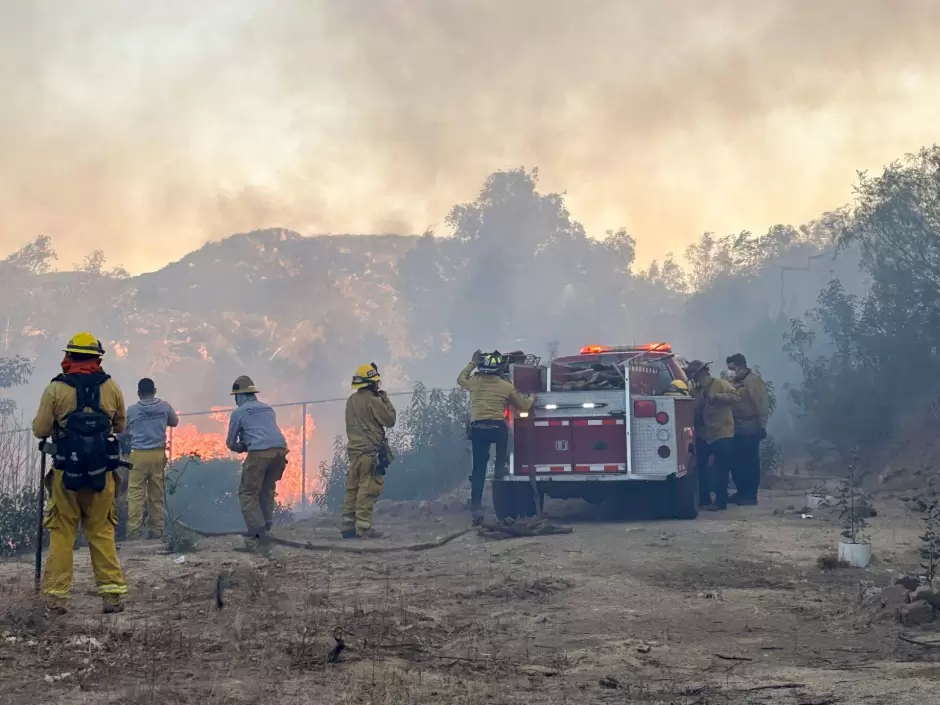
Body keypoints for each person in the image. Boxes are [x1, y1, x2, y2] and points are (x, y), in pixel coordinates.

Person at [32, 333, 128, 614]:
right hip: (102, 474)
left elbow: (40, 430)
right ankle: (112, 597)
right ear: (97, 359)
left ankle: (55, 599)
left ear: (69, 357)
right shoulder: (111, 387)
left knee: (62, 533)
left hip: (66, 472)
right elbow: (120, 425)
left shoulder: (55, 389)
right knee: (101, 532)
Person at [457, 350, 534, 526]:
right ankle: (500, 467)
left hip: (478, 429)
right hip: (497, 429)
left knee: (479, 470)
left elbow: (460, 379)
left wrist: (471, 363)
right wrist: (531, 398)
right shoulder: (505, 386)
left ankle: (476, 509)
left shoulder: (474, 382)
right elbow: (522, 405)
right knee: (503, 443)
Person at [225, 375, 289, 553]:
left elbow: (230, 443)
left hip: (259, 453)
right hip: (280, 451)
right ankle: (266, 524)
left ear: (240, 395)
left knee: (248, 492)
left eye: (235, 397)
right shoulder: (268, 408)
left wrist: (242, 447)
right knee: (267, 488)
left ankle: (257, 533)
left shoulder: (239, 412)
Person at [343, 363, 397, 539]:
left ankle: (347, 526)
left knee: (353, 489)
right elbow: (390, 420)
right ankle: (364, 528)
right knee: (368, 489)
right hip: (369, 454)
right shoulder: (373, 401)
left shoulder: (351, 401)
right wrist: (385, 400)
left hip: (354, 453)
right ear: (373, 383)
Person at [124, 378, 178, 539]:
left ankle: (133, 532)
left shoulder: (132, 410)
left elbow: (123, 429)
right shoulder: (164, 406)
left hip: (138, 456)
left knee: (135, 495)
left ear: (139, 393)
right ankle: (157, 531)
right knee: (157, 494)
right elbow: (174, 422)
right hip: (158, 455)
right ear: (154, 391)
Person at [685, 360, 738, 511]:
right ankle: (704, 499)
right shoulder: (695, 391)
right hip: (704, 434)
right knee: (699, 466)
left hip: (722, 432)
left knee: (721, 469)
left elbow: (735, 398)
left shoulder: (720, 384)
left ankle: (721, 502)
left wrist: (717, 397)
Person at [726, 353, 770, 506]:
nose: (731, 372)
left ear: (741, 366)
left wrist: (762, 426)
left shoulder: (753, 381)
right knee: (736, 462)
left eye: (733, 368)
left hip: (750, 427)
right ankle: (741, 492)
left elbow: (762, 404)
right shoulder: (734, 382)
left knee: (749, 463)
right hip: (735, 428)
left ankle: (750, 495)